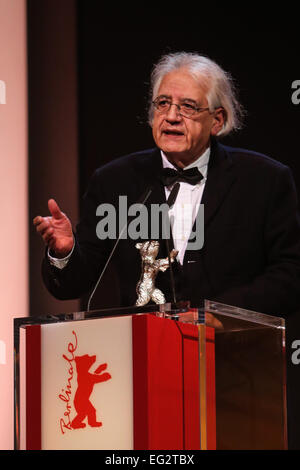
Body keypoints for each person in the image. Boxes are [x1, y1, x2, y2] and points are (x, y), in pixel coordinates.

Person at [33, 52, 300, 315]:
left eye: (188, 106)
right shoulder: (115, 182)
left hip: (234, 351)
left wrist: (219, 315)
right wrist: (65, 253)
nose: (171, 116)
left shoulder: (263, 180)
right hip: (146, 352)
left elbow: (290, 274)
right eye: (163, 103)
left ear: (217, 120)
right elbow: (73, 284)